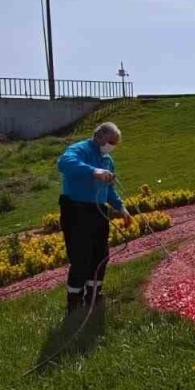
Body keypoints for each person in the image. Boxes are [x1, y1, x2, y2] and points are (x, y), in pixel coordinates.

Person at [56, 122, 133, 311]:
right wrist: (94, 171)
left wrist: (121, 207)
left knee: (101, 256)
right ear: (99, 136)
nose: (112, 146)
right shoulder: (79, 149)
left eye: (115, 143)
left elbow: (109, 190)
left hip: (98, 211)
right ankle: (74, 302)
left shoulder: (107, 160)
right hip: (75, 210)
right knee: (81, 257)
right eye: (111, 141)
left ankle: (94, 296)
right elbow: (64, 163)